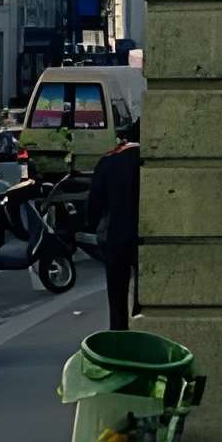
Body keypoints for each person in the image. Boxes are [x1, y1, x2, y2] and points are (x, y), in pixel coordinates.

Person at [85, 122, 141, 332]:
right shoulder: (151, 164)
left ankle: (119, 334)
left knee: (117, 296)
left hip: (116, 236)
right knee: (145, 296)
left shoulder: (109, 162)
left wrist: (89, 225)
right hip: (147, 237)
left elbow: (94, 204)